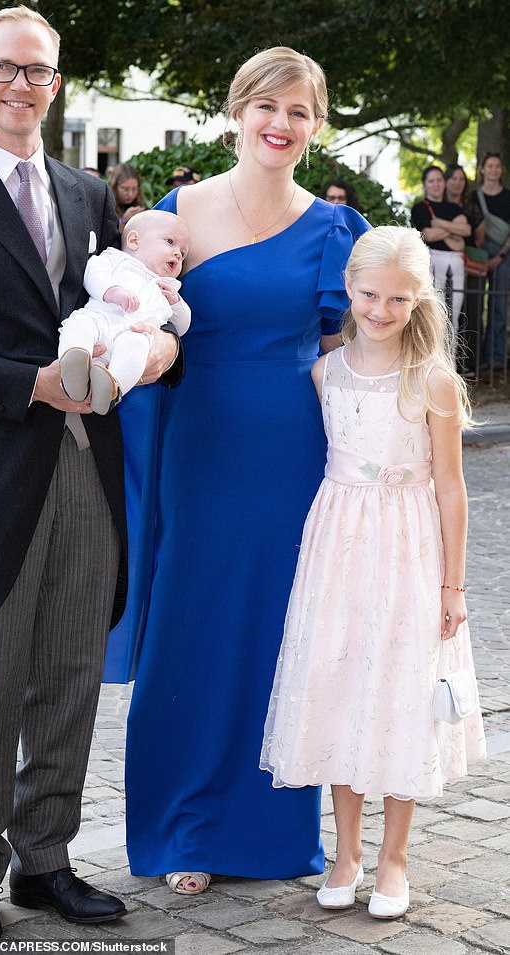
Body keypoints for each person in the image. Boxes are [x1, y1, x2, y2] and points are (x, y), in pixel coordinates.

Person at [0, 4, 182, 944]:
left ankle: (45, 861)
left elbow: (119, 310)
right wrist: (32, 385)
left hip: (92, 466)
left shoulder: (88, 196)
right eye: (6, 69)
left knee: (69, 670)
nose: (22, 85)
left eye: (39, 71)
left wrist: (150, 348)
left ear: (56, 83)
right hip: (0, 469)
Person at [122, 46, 370, 895]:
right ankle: (185, 822)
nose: (281, 123)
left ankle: (271, 828)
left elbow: (354, 351)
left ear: (318, 125)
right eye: (268, 105)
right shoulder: (178, 214)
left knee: (280, 632)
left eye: (300, 111)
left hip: (298, 459)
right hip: (196, 449)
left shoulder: (340, 231)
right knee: (191, 631)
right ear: (238, 109)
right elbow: (139, 322)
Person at [261, 225, 486, 920]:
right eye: (368, 295)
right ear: (349, 292)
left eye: (396, 298)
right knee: (340, 682)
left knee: (400, 691)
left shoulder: (435, 381)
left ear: (418, 300)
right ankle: (347, 850)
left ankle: (394, 856)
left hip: (410, 548)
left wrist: (452, 586)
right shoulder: (325, 372)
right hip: (339, 545)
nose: (381, 310)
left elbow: (450, 487)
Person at [59, 209, 190, 414]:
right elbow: (93, 272)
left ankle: (112, 386)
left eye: (183, 254)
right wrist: (113, 292)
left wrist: (176, 304)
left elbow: (182, 327)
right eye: (170, 242)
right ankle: (74, 359)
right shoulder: (116, 259)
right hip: (100, 319)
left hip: (133, 334)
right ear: (134, 240)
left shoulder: (169, 287)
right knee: (80, 324)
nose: (177, 254)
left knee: (137, 346)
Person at [411, 165, 470, 334]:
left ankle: (450, 360)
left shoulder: (455, 208)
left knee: (454, 315)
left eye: (439, 180)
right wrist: (453, 228)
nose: (436, 184)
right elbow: (428, 235)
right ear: (425, 184)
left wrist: (440, 225)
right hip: (433, 259)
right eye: (431, 181)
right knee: (435, 311)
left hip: (456, 261)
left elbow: (466, 231)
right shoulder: (420, 208)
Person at [443, 164, 486, 375]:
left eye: (461, 179)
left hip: (467, 262)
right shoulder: (437, 204)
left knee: (470, 312)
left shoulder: (471, 204)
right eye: (453, 178)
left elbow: (476, 235)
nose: (457, 183)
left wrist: (451, 234)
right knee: (446, 312)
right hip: (445, 264)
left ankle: (468, 363)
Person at [470, 152, 510, 369]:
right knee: (475, 304)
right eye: (490, 166)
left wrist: (501, 255)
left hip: (504, 254)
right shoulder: (474, 196)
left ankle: (496, 359)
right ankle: (476, 359)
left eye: (497, 166)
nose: (494, 170)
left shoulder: (508, 196)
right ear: (483, 169)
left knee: (499, 305)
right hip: (478, 253)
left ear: (501, 170)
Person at [107, 162, 147, 231]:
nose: (130, 194)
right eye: (125, 189)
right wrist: (123, 220)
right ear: (114, 187)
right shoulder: (106, 207)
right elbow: (109, 238)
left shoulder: (140, 206)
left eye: (134, 189)